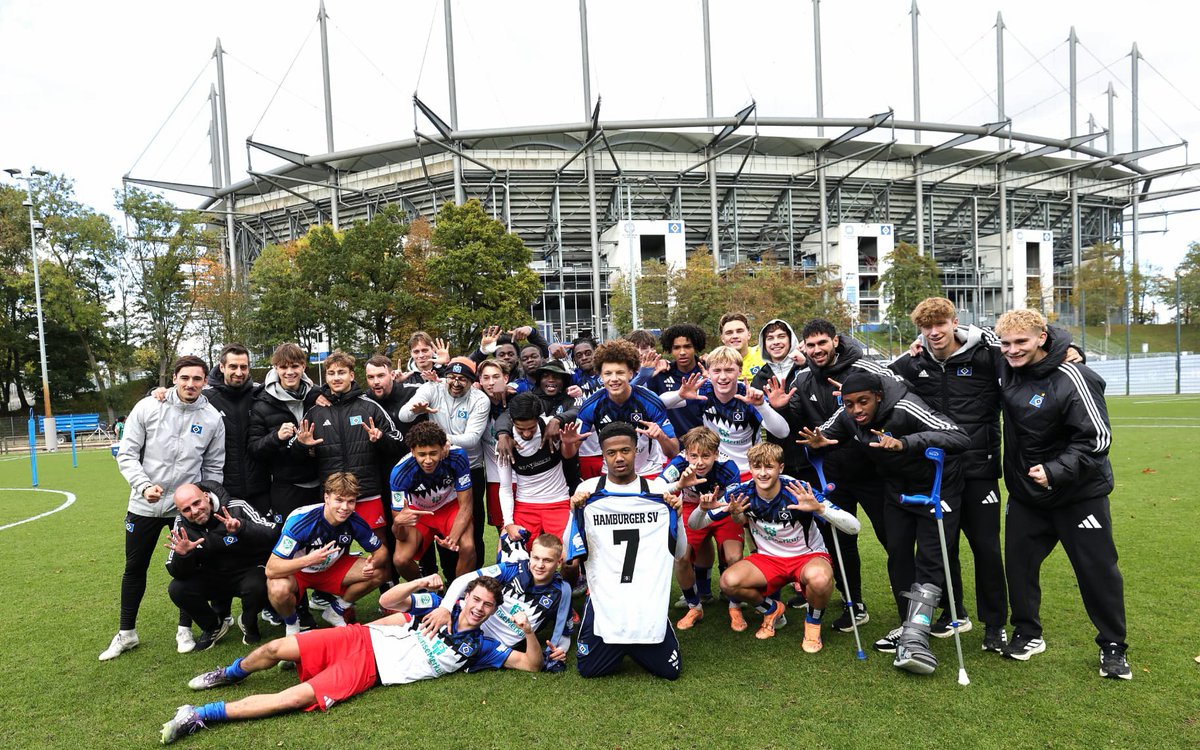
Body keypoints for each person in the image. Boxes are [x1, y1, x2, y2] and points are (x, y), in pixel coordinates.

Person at [162, 575, 543, 744]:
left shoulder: (481, 649)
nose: (478, 609)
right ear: (466, 598)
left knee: (295, 698)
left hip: (370, 669)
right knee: (275, 648)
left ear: (493, 612)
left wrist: (527, 632)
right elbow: (388, 603)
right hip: (358, 637)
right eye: (475, 600)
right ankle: (229, 673)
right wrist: (422, 585)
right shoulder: (436, 608)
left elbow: (530, 665)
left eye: (487, 606)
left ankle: (198, 714)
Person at [800, 370, 969, 674]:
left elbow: (958, 435)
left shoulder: (906, 406)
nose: (857, 410)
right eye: (850, 404)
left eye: (863, 402)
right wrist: (819, 442)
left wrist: (905, 443)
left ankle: (918, 636)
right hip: (896, 489)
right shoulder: (848, 414)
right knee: (898, 553)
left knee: (929, 557)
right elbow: (823, 432)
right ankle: (909, 626)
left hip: (936, 487)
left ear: (878, 396)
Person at [994, 309, 1129, 679]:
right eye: (1005, 343)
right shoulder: (1004, 362)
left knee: (1097, 570)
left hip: (1079, 494)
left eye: (1021, 342)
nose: (1012, 350)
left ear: (1042, 338)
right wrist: (920, 342)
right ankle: (1027, 632)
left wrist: (1054, 471)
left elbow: (1097, 438)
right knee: (1019, 566)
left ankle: (1113, 646)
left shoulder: (1075, 375)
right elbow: (963, 336)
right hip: (1026, 494)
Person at [888, 297, 1009, 651]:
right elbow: (879, 379)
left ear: (954, 322)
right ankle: (954, 612)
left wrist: (1070, 349)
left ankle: (996, 624)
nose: (934, 332)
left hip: (979, 468)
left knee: (986, 548)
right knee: (945, 547)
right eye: (927, 327)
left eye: (941, 324)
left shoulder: (986, 355)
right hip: (939, 474)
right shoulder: (915, 361)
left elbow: (1031, 341)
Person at [102, 355, 226, 661]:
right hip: (144, 504)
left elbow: (213, 468)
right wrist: (144, 486)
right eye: (185, 378)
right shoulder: (148, 406)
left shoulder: (212, 418)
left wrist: (203, 502)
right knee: (135, 567)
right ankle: (126, 633)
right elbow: (127, 453)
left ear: (205, 382)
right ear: (174, 379)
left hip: (182, 510)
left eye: (197, 379)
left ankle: (184, 629)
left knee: (187, 569)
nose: (191, 384)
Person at [780, 318, 896, 624]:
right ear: (803, 346)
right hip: (832, 476)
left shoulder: (863, 369)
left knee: (892, 539)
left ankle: (912, 608)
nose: (817, 350)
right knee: (840, 542)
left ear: (835, 341)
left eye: (823, 343)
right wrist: (779, 407)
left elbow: (891, 407)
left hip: (875, 472)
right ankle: (853, 604)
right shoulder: (802, 380)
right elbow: (792, 425)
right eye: (811, 344)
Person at [564, 422, 687, 680]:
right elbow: (570, 552)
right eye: (611, 453)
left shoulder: (658, 492)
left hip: (646, 597)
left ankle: (633, 642)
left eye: (625, 450)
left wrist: (677, 515)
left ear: (636, 450)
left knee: (670, 671)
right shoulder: (587, 491)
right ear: (603, 455)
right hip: (605, 596)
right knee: (588, 669)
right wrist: (574, 512)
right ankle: (622, 642)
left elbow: (680, 552)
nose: (619, 458)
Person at [712, 443, 861, 652]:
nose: (763, 473)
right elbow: (695, 523)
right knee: (728, 582)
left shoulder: (798, 489)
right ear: (751, 468)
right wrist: (719, 511)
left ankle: (813, 623)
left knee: (819, 579)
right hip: (768, 559)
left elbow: (854, 527)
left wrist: (819, 508)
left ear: (780, 468)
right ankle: (772, 609)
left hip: (807, 556)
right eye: (757, 467)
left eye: (769, 467)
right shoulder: (743, 492)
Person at [416, 533, 574, 672]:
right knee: (409, 622)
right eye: (536, 558)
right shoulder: (512, 569)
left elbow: (564, 633)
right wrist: (445, 608)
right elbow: (463, 580)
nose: (540, 565)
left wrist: (560, 650)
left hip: (491, 645)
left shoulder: (561, 593)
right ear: (530, 555)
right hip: (462, 622)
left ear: (559, 562)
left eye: (547, 560)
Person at [267, 472, 389, 633]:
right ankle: (292, 625)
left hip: (330, 568)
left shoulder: (354, 520)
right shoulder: (301, 520)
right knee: (277, 588)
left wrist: (372, 563)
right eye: (339, 500)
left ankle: (335, 611)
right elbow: (271, 568)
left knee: (379, 573)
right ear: (326, 498)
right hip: (298, 571)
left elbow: (381, 551)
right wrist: (308, 560)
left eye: (350, 502)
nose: (345, 508)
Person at [295, 350, 403, 533]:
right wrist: (302, 446)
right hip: (333, 497)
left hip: (367, 491)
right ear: (326, 377)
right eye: (331, 373)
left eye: (342, 372)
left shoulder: (369, 406)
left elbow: (399, 443)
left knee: (379, 546)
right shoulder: (315, 412)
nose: (336, 378)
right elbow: (297, 456)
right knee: (333, 549)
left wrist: (381, 438)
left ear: (351, 375)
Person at [399, 356, 491, 566]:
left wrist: (441, 440)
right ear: (445, 376)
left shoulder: (479, 399)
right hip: (438, 468)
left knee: (472, 526)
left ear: (471, 381)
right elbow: (404, 416)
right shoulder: (433, 388)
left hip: (470, 467)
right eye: (451, 377)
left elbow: (472, 438)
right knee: (443, 525)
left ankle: (474, 578)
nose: (456, 383)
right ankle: (449, 578)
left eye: (462, 379)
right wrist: (416, 410)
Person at [165, 482, 279, 648]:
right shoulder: (181, 523)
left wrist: (242, 527)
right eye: (186, 509)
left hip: (247, 572)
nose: (194, 511)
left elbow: (273, 532)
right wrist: (184, 555)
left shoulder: (236, 506)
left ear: (206, 496)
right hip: (212, 577)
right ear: (180, 511)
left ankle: (248, 620)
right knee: (177, 589)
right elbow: (176, 571)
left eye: (197, 503)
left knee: (260, 583)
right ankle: (213, 626)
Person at [659, 427, 744, 631]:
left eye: (706, 456)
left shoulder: (729, 467)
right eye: (693, 455)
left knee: (734, 557)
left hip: (721, 508)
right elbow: (657, 486)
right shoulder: (679, 463)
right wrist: (679, 484)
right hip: (691, 507)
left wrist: (707, 514)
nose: (699, 462)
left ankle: (735, 606)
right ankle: (695, 605)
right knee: (680, 557)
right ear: (686, 453)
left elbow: (731, 504)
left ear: (716, 453)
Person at [660, 345, 791, 474]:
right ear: (708, 372)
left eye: (729, 370)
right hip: (715, 468)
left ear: (739, 371)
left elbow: (783, 432)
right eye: (717, 371)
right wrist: (679, 395)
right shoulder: (704, 390)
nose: (722, 377)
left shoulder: (749, 395)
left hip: (748, 470)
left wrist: (761, 406)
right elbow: (660, 403)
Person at [568, 339, 678, 479]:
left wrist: (661, 437)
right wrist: (568, 443)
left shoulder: (650, 401)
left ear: (631, 373)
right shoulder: (591, 406)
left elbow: (673, 451)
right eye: (608, 374)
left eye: (620, 372)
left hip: (648, 472)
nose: (614, 379)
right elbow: (569, 453)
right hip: (611, 475)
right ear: (601, 376)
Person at [389, 421, 477, 580]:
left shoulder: (457, 456)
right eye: (422, 454)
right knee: (400, 560)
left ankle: (459, 596)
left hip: (450, 507)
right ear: (413, 451)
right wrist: (397, 523)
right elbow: (400, 534)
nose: (428, 460)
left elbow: (466, 505)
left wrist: (453, 539)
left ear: (444, 448)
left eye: (433, 453)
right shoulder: (400, 472)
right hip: (419, 513)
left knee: (468, 546)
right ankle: (426, 592)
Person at [496, 392, 579, 546]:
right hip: (525, 505)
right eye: (520, 429)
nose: (526, 434)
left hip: (558, 502)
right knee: (506, 555)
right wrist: (508, 523)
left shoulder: (551, 428)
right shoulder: (504, 443)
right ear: (512, 421)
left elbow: (578, 409)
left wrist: (566, 439)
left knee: (571, 560)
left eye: (531, 428)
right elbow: (506, 487)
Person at [202, 344, 270, 514]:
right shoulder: (206, 398)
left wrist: (317, 395)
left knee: (265, 538)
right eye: (233, 366)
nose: (239, 372)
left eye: (243, 367)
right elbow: (180, 397)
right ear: (222, 367)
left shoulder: (260, 393)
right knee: (229, 539)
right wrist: (157, 391)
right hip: (224, 490)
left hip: (261, 488)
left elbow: (291, 391)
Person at [717, 312, 764, 380]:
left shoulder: (764, 355)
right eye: (729, 333)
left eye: (739, 331)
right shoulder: (716, 363)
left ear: (749, 335)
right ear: (722, 338)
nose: (735, 336)